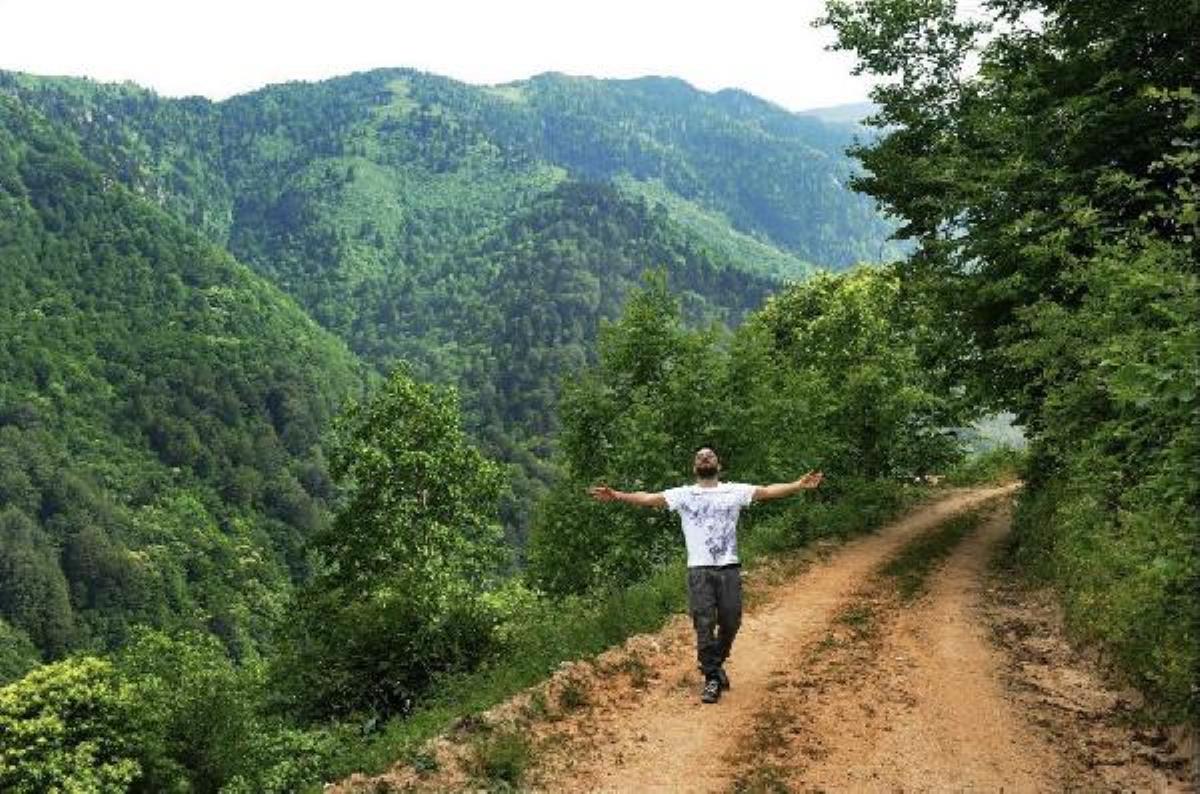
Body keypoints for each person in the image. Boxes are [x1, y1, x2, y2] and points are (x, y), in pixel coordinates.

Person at [588, 447, 824, 703]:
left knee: (732, 621)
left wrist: (798, 485)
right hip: (699, 570)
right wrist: (616, 495)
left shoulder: (734, 491)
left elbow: (767, 491)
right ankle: (711, 678)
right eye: (700, 456)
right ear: (694, 467)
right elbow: (648, 499)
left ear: (718, 465)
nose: (704, 457)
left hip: (729, 568)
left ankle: (715, 662)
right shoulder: (683, 495)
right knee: (704, 624)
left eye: (709, 455)